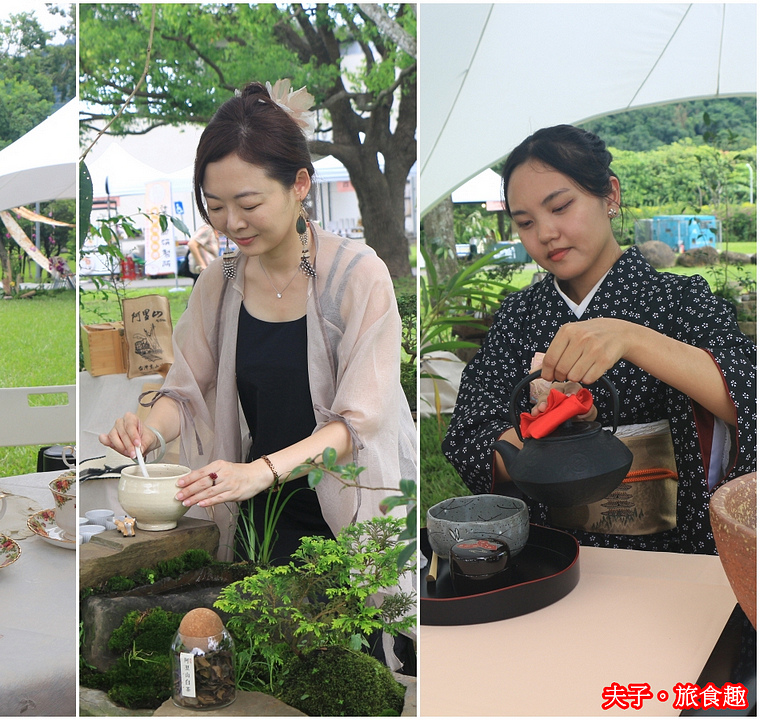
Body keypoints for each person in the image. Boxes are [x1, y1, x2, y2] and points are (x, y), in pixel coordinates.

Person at [99, 80, 416, 565]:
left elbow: (358, 424)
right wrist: (149, 433)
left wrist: (261, 471)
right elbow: (184, 388)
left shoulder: (356, 275)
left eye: (248, 205)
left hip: (353, 514)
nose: (232, 224)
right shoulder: (221, 282)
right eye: (216, 206)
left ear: (300, 186)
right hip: (262, 517)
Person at [442, 125, 757, 555]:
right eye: (526, 223)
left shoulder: (680, 300)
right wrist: (547, 446)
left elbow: (748, 393)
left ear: (610, 195)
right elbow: (469, 431)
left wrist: (631, 338)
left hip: (674, 554)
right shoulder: (518, 317)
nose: (546, 233)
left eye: (560, 207)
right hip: (552, 552)